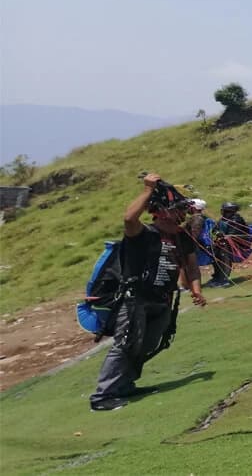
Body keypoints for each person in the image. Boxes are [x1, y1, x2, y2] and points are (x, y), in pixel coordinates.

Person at [90, 173, 205, 411]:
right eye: (177, 211)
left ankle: (125, 385)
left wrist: (196, 290)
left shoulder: (182, 238)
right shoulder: (142, 234)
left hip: (162, 301)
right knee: (125, 343)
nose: (182, 216)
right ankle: (103, 396)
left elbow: (192, 268)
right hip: (136, 300)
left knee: (147, 343)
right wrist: (147, 191)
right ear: (160, 212)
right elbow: (129, 218)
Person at [208, 202, 250, 288]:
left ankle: (224, 279)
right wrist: (217, 234)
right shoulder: (223, 219)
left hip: (233, 245)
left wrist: (223, 237)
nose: (223, 212)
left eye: (225, 210)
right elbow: (214, 230)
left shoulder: (236, 220)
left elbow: (234, 233)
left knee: (224, 256)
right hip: (221, 242)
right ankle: (217, 277)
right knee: (215, 257)